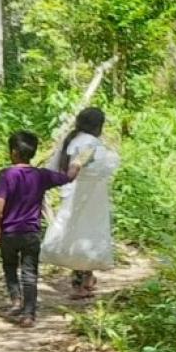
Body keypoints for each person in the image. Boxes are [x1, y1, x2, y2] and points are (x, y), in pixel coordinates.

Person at [0, 131, 90, 327]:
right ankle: (28, 314)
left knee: (9, 267)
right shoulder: (41, 175)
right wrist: (78, 162)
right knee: (30, 272)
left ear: (13, 152)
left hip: (9, 233)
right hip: (31, 233)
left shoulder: (6, 174)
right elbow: (68, 178)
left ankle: (16, 299)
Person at [45, 107, 119, 300]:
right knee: (86, 235)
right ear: (98, 126)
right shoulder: (90, 143)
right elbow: (83, 165)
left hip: (74, 194)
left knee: (77, 234)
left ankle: (86, 278)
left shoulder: (72, 140)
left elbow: (55, 168)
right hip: (88, 196)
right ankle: (79, 284)